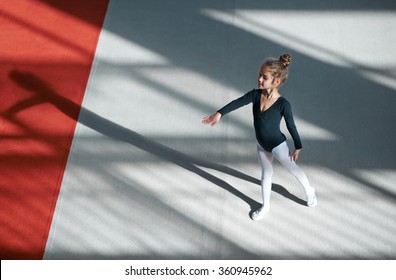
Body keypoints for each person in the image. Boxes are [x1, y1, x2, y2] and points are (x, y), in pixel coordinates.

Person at [202, 54, 317, 220]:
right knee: (266, 174)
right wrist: (219, 113)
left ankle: (309, 191)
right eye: (259, 75)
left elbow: (291, 126)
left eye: (264, 77)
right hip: (262, 145)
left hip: (278, 145)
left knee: (293, 170)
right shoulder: (255, 95)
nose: (259, 79)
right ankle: (266, 206)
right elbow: (238, 102)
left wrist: (298, 146)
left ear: (276, 81)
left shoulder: (283, 104)